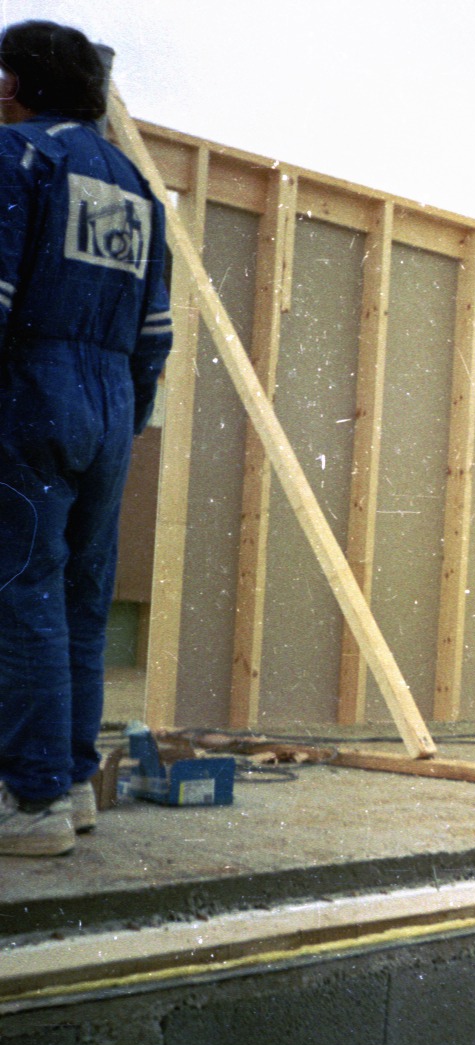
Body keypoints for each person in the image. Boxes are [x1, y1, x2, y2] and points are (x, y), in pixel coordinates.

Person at [0, 20, 171, 855]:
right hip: (108, 402)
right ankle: (70, 785)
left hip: (32, 389)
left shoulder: (20, 159)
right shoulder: (135, 186)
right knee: (78, 597)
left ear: (20, 82)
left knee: (19, 591)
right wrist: (124, 419)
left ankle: (28, 805)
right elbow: (155, 332)